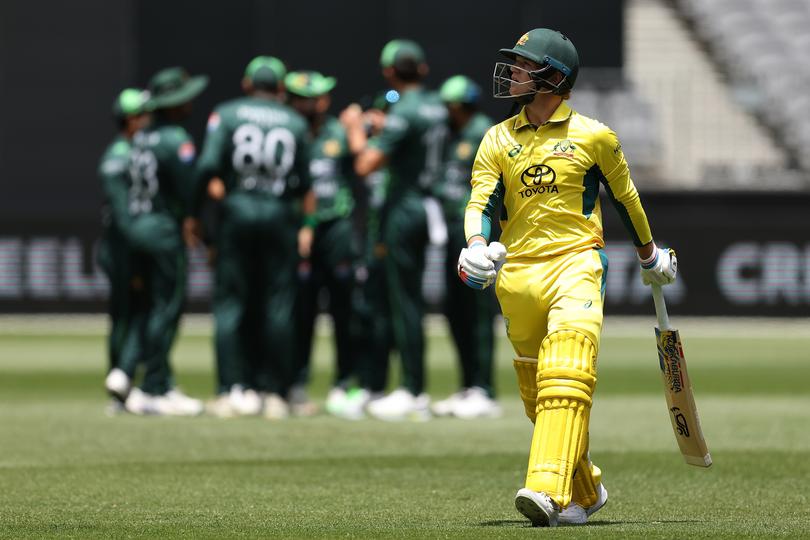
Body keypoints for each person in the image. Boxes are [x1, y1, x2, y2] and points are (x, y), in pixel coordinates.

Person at [458, 28, 677, 526]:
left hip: (576, 265)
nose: (511, 73)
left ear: (553, 77)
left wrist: (650, 255)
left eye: (522, 65)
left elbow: (626, 199)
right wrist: (474, 247)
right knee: (541, 396)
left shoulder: (594, 136)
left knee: (567, 374)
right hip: (516, 276)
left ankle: (546, 490)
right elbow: (481, 203)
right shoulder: (497, 138)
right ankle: (586, 488)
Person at [190, 56, 314, 420]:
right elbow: (306, 184)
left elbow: (206, 167)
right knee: (278, 306)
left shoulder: (226, 114)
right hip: (279, 216)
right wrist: (305, 224)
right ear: (280, 89)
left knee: (231, 305)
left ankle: (231, 390)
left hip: (237, 214)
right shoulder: (294, 121)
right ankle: (275, 394)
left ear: (246, 84)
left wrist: (195, 216)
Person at [340, 39, 448, 421]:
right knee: (409, 301)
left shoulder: (405, 110)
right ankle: (412, 386)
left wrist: (355, 130)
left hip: (404, 207)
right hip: (427, 203)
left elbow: (366, 165)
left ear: (389, 73)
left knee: (403, 303)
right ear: (421, 69)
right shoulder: (435, 106)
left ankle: (413, 389)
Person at [114, 67, 209, 416]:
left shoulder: (140, 136)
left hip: (138, 227)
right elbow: (191, 189)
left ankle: (154, 380)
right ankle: (155, 386)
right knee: (166, 307)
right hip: (163, 231)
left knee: (150, 307)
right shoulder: (174, 139)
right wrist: (201, 228)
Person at [284, 70, 357, 416]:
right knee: (301, 310)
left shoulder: (336, 132)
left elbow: (361, 165)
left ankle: (345, 381)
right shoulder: (287, 133)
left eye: (319, 98)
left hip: (336, 228)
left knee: (344, 309)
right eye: (309, 98)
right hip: (298, 231)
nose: (316, 104)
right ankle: (296, 383)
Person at [430, 75, 501, 419]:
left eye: (451, 107)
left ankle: (483, 389)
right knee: (454, 310)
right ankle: (467, 385)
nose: (447, 113)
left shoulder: (483, 133)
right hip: (452, 234)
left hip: (476, 238)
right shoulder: (452, 134)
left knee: (477, 313)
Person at [99, 88, 150, 414]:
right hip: (122, 249)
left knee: (125, 315)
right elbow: (122, 215)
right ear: (131, 119)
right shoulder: (120, 156)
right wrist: (134, 254)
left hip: (122, 246)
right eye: (144, 114)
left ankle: (122, 382)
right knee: (131, 315)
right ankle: (121, 379)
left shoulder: (132, 152)